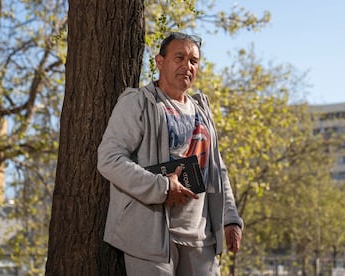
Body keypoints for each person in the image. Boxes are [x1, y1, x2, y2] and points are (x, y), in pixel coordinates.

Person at [97, 32, 243, 276]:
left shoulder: (202, 110)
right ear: (160, 62)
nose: (187, 66)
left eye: (194, 61)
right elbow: (109, 159)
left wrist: (230, 217)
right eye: (179, 57)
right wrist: (161, 187)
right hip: (150, 239)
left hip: (201, 238)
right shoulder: (138, 103)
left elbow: (217, 168)